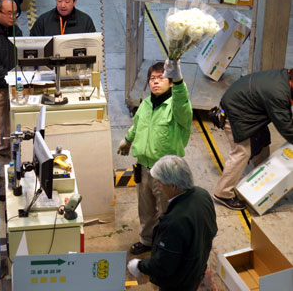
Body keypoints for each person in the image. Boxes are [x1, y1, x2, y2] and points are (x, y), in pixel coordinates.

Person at [117, 60, 192, 255]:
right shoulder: (146, 104)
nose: (155, 82)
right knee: (146, 209)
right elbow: (137, 124)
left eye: (161, 78)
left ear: (170, 82)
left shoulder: (177, 108)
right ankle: (147, 240)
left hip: (166, 172)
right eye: (152, 78)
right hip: (143, 166)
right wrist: (127, 140)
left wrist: (179, 80)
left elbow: (182, 100)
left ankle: (167, 246)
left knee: (167, 212)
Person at [127, 156, 218, 291]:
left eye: (161, 183)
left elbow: (164, 266)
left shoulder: (174, 222)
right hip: (197, 268)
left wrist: (139, 266)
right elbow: (212, 230)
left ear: (173, 186)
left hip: (179, 283)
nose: (160, 187)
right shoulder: (202, 195)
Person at [213, 69, 293, 210]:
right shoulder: (278, 92)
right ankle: (223, 193)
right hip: (236, 114)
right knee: (242, 152)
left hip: (249, 110)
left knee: (262, 142)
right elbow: (286, 127)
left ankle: (261, 181)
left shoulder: (284, 78)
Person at [0, 0, 22, 179]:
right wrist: (10, 79)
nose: (13, 17)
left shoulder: (15, 31)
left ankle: (9, 158)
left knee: (12, 125)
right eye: (9, 13)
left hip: (11, 85)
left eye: (15, 13)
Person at [30, 0, 96, 36]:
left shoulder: (85, 21)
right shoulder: (43, 21)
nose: (63, 5)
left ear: (74, 1)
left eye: (67, 1)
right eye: (59, 1)